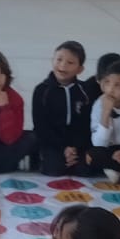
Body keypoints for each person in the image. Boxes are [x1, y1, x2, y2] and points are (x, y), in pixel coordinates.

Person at [32, 40, 95, 176]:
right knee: (54, 168)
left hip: (77, 142)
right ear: (52, 60)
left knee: (85, 169)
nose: (62, 65)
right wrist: (63, 148)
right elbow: (41, 126)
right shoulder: (42, 91)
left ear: (80, 69)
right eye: (59, 59)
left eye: (70, 63)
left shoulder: (85, 91)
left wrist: (74, 148)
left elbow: (87, 124)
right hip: (52, 141)